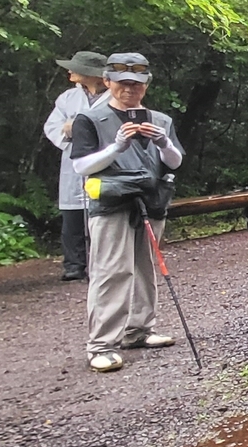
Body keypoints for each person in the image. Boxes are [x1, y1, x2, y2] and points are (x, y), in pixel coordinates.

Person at [67, 55, 183, 371]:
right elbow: (81, 166)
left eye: (136, 84)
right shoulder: (89, 119)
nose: (129, 90)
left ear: (145, 86)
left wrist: (161, 143)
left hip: (151, 199)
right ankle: (101, 344)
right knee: (111, 271)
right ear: (107, 82)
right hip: (110, 203)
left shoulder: (160, 120)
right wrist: (116, 147)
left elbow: (174, 162)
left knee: (145, 268)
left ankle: (139, 330)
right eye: (122, 84)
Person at [45, 49, 111, 281]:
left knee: (104, 213)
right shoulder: (67, 98)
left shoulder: (114, 96)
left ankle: (104, 263)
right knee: (72, 215)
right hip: (74, 160)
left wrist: (80, 128)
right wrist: (71, 131)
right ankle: (74, 264)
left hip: (105, 159)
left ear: (91, 73)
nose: (69, 71)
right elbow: (54, 127)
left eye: (75, 67)